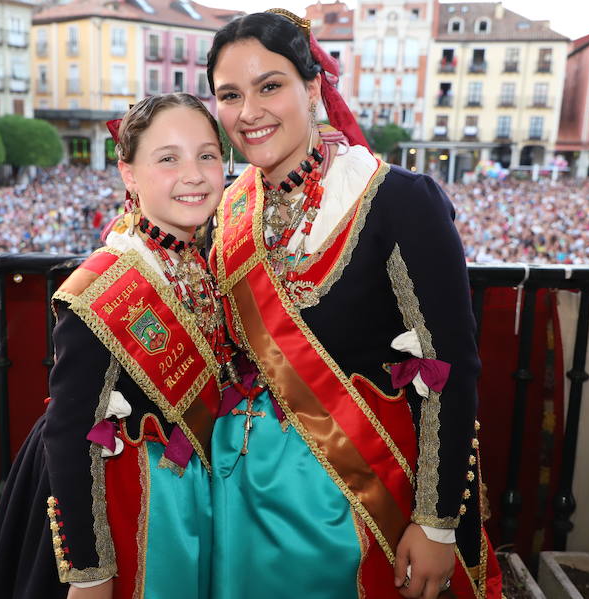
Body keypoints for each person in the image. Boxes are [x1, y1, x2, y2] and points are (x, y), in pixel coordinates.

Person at [206, 10, 501, 599]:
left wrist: (438, 523)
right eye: (230, 95)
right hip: (244, 500)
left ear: (313, 88)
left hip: (366, 512)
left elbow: (449, 366)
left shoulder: (397, 200)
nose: (248, 112)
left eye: (270, 86)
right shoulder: (226, 210)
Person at [0, 93, 228, 599]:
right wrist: (90, 573)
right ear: (128, 173)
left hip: (181, 507)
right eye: (168, 157)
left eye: (207, 154)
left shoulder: (201, 259)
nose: (195, 174)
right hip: (117, 514)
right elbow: (69, 435)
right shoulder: (104, 284)